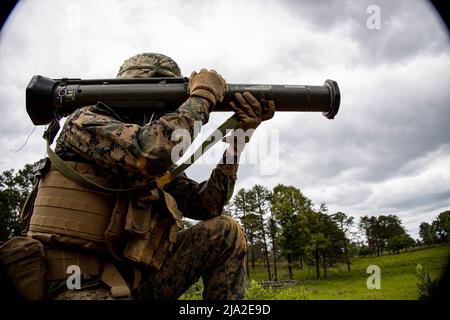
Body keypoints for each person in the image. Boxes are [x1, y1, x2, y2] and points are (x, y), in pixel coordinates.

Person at [24, 52, 275, 300]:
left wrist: (241, 136)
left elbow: (207, 205)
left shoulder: (152, 153)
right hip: (71, 284)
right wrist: (203, 97)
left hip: (130, 283)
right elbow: (150, 153)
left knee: (225, 232)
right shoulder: (85, 121)